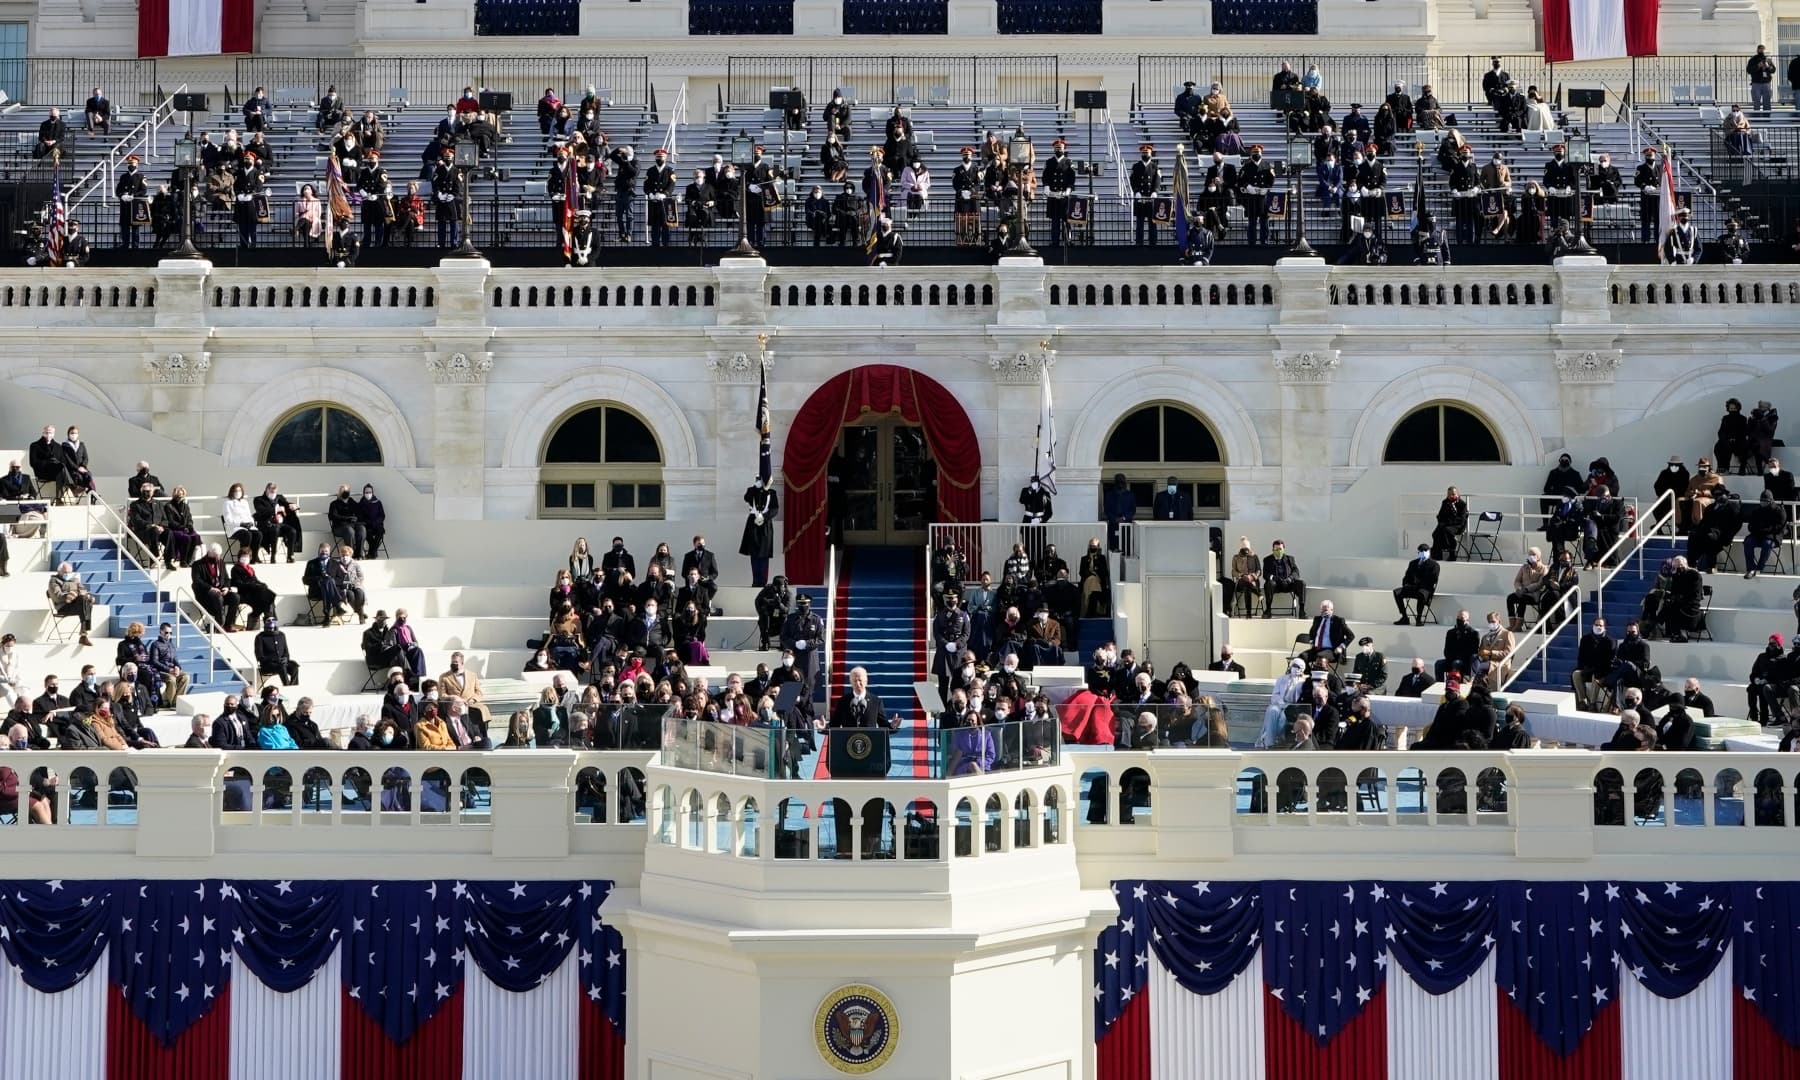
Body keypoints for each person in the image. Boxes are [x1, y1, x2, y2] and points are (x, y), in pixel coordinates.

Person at [781, 593, 825, 700]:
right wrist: (794, 643)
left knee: (808, 689)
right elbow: (783, 637)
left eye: (805, 604)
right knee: (791, 686)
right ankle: (789, 715)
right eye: (800, 604)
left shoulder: (817, 620)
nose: (802, 606)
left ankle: (807, 715)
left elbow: (820, 639)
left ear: (809, 604)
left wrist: (807, 644)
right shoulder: (790, 619)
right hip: (794, 657)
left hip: (810, 660)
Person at [46, 562, 94, 646]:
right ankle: (83, 635)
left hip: (77, 605)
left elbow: (83, 590)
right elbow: (57, 596)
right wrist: (70, 595)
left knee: (87, 600)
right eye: (65, 572)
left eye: (69, 572)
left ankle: (84, 633)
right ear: (59, 571)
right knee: (83, 601)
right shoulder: (54, 581)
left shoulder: (75, 580)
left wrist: (83, 594)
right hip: (63, 607)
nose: (67, 574)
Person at [254, 483, 301, 563]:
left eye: (274, 492)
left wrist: (293, 506)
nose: (273, 494)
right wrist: (276, 510)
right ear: (266, 490)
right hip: (266, 524)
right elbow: (261, 511)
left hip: (279, 523)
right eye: (271, 492)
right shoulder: (259, 500)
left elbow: (286, 504)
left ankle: (290, 556)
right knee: (275, 529)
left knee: (292, 531)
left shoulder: (279, 497)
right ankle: (273, 556)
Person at [1261, 539, 1304, 616]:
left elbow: (1296, 571)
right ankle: (1268, 610)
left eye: (1280, 549)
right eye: (1276, 549)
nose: (1278, 551)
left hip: (1288, 584)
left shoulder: (1290, 558)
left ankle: (1302, 611)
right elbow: (1265, 574)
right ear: (1273, 550)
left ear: (1284, 549)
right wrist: (1275, 578)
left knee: (1302, 583)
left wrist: (1290, 579)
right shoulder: (1267, 559)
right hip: (1275, 585)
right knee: (1269, 584)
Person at [1130, 144, 1161, 247]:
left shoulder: (1154, 167)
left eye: (1147, 153)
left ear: (1150, 154)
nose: (1145, 154)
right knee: (1140, 223)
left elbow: (1157, 180)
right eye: (1143, 153)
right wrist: (1136, 191)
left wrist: (1155, 191)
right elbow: (1133, 180)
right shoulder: (1136, 166)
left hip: (1151, 199)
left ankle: (1153, 243)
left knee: (1153, 223)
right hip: (1140, 198)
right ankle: (1139, 243)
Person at [255, 616, 299, 686]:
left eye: (273, 620)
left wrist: (286, 658)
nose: (271, 622)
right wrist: (275, 660)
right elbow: (259, 656)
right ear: (265, 622)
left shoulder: (281, 635)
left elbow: (286, 651)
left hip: (281, 663)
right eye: (268, 620)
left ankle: (293, 686)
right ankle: (286, 685)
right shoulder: (260, 637)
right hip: (268, 665)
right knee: (281, 667)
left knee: (294, 666)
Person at [1749, 44, 1778, 116]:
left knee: (1767, 100)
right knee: (1756, 100)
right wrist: (1758, 66)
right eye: (1760, 49)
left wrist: (1769, 65)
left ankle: (1767, 116)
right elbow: (1749, 70)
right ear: (1757, 50)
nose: (1762, 50)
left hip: (1766, 82)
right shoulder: (1753, 60)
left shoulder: (1767, 59)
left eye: (1763, 49)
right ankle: (1757, 116)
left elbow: (1773, 70)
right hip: (1756, 82)